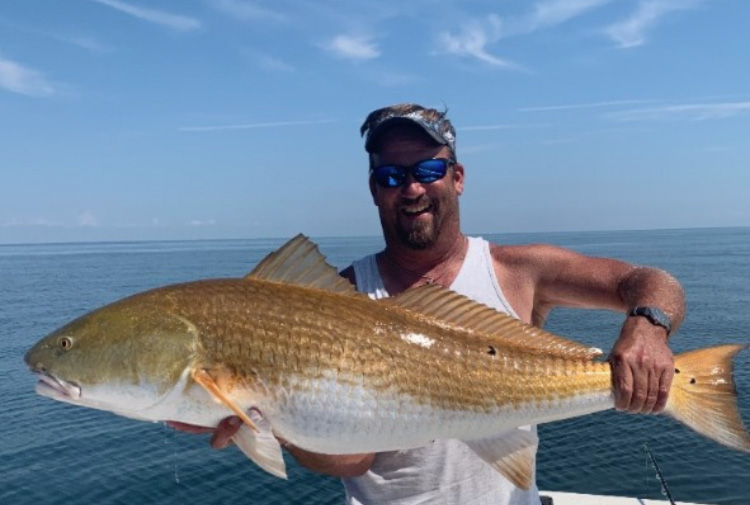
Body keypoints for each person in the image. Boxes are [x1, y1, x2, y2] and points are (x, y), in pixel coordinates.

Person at [170, 103, 684, 505]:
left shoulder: (517, 271)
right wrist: (275, 422)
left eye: (427, 169)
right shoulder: (333, 299)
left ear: (457, 177)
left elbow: (651, 281)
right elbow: (352, 460)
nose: (411, 188)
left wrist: (648, 326)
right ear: (375, 190)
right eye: (391, 176)